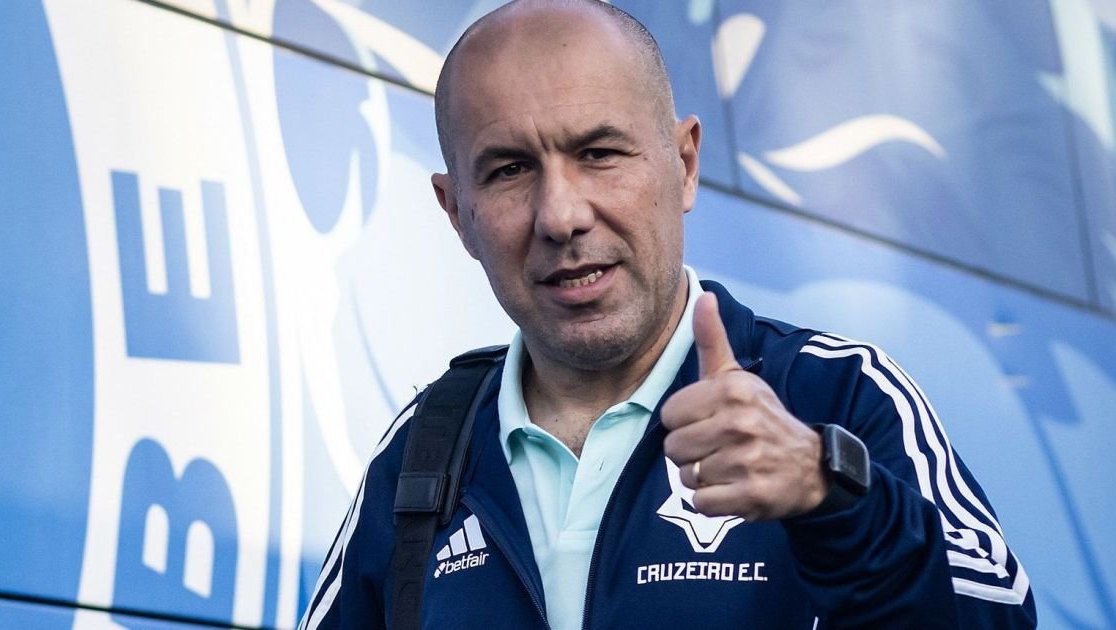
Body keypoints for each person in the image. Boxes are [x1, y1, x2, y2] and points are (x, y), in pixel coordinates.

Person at [299, 1, 1036, 627]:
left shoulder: (834, 394)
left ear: (683, 165)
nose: (560, 215)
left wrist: (828, 496)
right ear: (456, 211)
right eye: (510, 170)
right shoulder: (425, 449)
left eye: (599, 153)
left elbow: (997, 614)